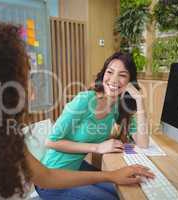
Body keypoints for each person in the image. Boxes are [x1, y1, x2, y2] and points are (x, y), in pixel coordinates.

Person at [0, 18, 154, 200]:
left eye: (122, 75)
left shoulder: (2, 134)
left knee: (122, 190)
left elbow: (44, 175)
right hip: (55, 182)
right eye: (25, 80)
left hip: (59, 175)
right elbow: (51, 148)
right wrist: (99, 151)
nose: (33, 93)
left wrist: (112, 174)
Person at [38, 52, 150, 199]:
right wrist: (97, 147)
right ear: (103, 75)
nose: (114, 79)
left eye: (122, 75)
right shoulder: (84, 100)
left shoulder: (117, 107)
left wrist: (139, 100)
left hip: (76, 170)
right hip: (51, 178)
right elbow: (50, 142)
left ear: (130, 82)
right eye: (110, 72)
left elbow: (143, 143)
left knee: (125, 190)